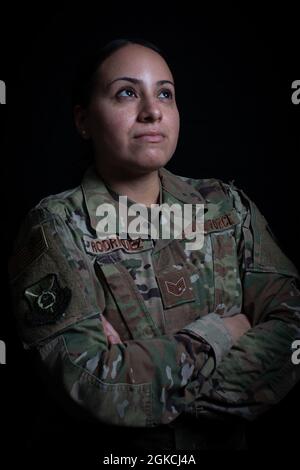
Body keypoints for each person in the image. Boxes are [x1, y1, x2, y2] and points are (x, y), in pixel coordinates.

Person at [9, 38, 300, 452]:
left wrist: (151, 389)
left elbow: (292, 333)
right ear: (83, 120)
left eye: (165, 93)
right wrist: (223, 330)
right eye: (126, 93)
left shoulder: (224, 205)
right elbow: (93, 384)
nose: (152, 110)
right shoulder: (55, 227)